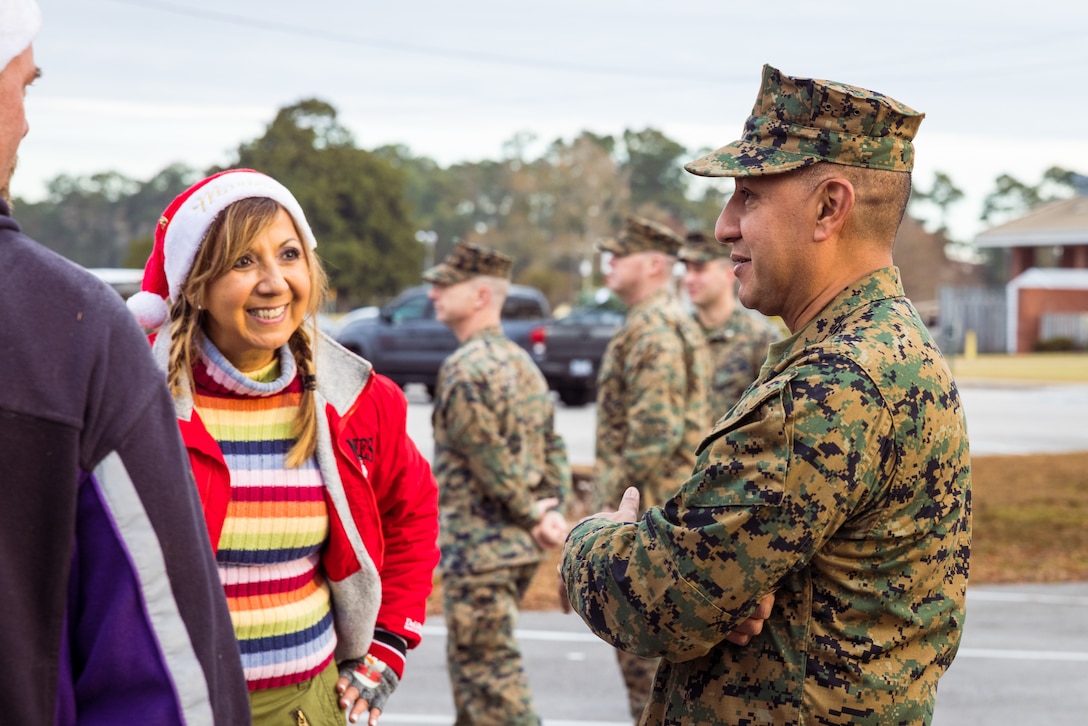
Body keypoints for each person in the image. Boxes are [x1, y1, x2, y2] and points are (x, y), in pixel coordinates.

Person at [561, 63, 972, 724]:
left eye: (748, 196)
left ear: (828, 207)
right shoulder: (884, 346)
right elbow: (727, 585)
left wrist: (593, 538)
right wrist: (729, 591)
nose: (725, 226)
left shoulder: (831, 384)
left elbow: (661, 597)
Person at [0, 1, 251, 723]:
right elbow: (161, 678)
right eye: (25, 86)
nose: (26, 122)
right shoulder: (73, 336)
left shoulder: (357, 399)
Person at [126, 168, 440, 726]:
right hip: (165, 703)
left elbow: (409, 512)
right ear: (195, 285)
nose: (274, 282)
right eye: (243, 261)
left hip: (303, 707)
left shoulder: (360, 399)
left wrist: (387, 644)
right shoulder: (128, 396)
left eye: (289, 254)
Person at [425, 242, 571, 726]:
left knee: (491, 687)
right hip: (517, 548)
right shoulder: (521, 363)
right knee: (473, 687)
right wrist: (550, 512)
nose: (433, 292)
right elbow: (554, 446)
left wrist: (534, 514)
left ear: (482, 294)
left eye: (446, 285)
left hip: (482, 549)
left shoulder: (464, 368)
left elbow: (487, 458)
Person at [591, 215, 711, 722]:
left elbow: (653, 434)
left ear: (656, 264)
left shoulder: (654, 329)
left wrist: (607, 507)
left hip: (646, 519)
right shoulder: (659, 321)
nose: (610, 262)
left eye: (623, 254)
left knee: (649, 682)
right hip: (663, 518)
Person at [678, 231, 780, 421]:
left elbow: (773, 416)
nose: (688, 279)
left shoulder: (760, 338)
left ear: (728, 274)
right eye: (686, 270)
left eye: (699, 269)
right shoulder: (676, 334)